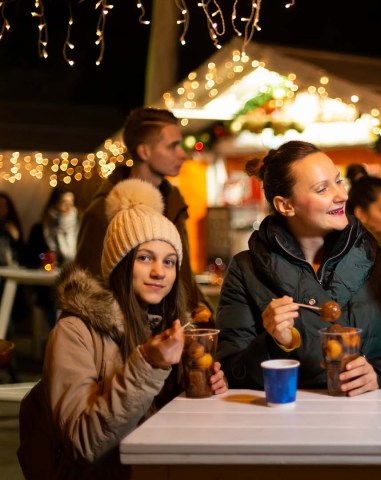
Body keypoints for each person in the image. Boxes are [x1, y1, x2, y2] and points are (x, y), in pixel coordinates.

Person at [17, 178, 228, 479]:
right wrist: (149, 364)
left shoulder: (171, 328)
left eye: (169, 262)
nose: (159, 272)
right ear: (120, 263)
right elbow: (85, 442)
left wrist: (203, 389)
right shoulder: (75, 332)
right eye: (145, 258)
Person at [215, 140, 381, 396]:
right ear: (285, 205)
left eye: (339, 181)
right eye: (322, 189)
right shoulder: (246, 270)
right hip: (286, 425)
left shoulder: (375, 260)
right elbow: (228, 373)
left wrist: (378, 374)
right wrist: (275, 342)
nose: (342, 195)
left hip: (369, 422)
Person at [75, 107, 212, 322]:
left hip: (180, 331)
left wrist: (200, 313)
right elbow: (87, 290)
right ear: (144, 152)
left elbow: (184, 276)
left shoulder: (173, 202)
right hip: (129, 338)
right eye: (172, 146)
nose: (182, 153)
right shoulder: (102, 210)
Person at [24, 188, 80, 268]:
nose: (68, 206)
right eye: (64, 202)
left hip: (73, 274)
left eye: (71, 202)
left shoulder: (79, 227)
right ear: (55, 203)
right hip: (44, 276)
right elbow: (31, 257)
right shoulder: (39, 229)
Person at [0, 192, 23, 266]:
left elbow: (20, 249)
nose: (2, 209)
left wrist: (15, 236)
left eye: (4, 206)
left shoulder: (12, 225)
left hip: (11, 264)